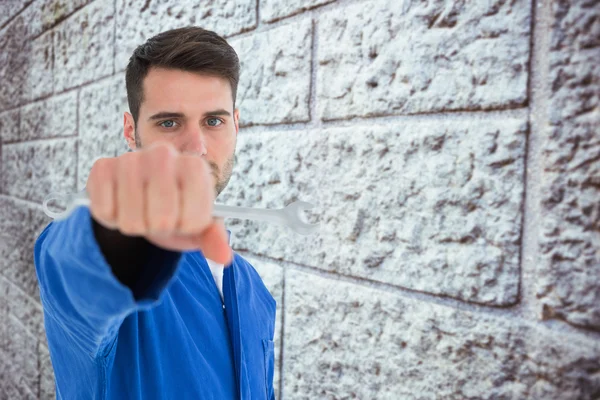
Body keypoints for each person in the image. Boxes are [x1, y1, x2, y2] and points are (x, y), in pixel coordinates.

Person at [33, 26, 276, 400]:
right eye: (169, 122)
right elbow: (76, 267)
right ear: (131, 132)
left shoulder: (253, 289)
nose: (196, 147)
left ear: (236, 124)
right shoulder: (109, 260)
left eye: (214, 121)